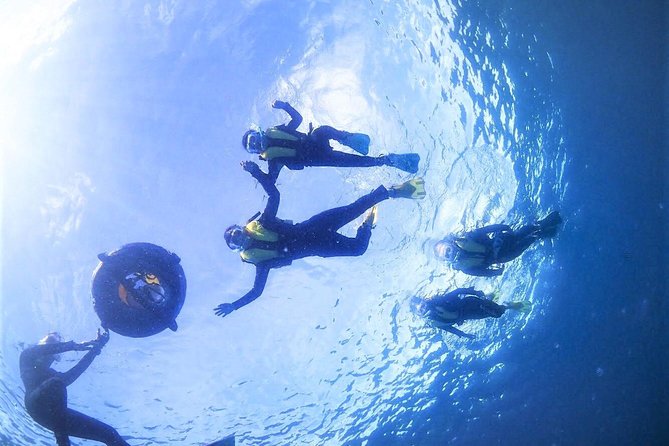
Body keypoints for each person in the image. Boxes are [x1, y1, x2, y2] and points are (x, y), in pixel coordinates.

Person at [214, 161, 425, 317]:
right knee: (358, 249)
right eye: (234, 242)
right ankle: (366, 224)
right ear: (237, 250)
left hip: (317, 225)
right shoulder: (260, 262)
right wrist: (234, 305)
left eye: (237, 233)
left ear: (243, 229)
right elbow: (256, 291)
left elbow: (274, 196)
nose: (238, 239)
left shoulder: (264, 223)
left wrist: (256, 172)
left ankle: (391, 191)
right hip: (321, 247)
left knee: (355, 208)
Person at [242, 100, 421, 180]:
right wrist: (255, 171)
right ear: (256, 152)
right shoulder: (273, 160)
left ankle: (347, 138)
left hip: (313, 142)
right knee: (356, 163)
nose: (257, 144)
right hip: (316, 159)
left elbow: (297, 120)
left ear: (259, 132)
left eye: (254, 139)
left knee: (322, 130)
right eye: (253, 147)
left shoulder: (277, 131)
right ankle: (387, 160)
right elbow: (271, 180)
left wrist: (285, 106)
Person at [20, 329, 131, 446]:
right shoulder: (26, 357)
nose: (50, 348)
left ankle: (62, 436)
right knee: (56, 383)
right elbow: (43, 351)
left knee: (109, 433)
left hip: (51, 415)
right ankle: (63, 441)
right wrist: (75, 346)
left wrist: (96, 348)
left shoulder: (54, 376)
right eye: (49, 342)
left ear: (55, 357)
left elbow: (75, 372)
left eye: (53, 345)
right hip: (34, 405)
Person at [434, 211, 562, 277]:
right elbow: (483, 273)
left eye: (447, 249)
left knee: (527, 230)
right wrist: (496, 272)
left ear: (450, 243)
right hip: (503, 256)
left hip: (500, 240)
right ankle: (545, 232)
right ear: (447, 260)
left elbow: (486, 229)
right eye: (446, 254)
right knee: (528, 240)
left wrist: (503, 226)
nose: (450, 252)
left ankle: (545, 225)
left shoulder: (467, 237)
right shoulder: (465, 268)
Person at [415, 287, 530, 339]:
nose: (424, 309)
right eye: (420, 310)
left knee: (497, 313)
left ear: (425, 301)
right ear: (419, 315)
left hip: (470, 303)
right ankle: (490, 298)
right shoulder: (435, 322)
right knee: (492, 312)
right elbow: (450, 329)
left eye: (422, 306)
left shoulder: (440, 301)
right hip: (469, 315)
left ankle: (507, 305)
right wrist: (464, 335)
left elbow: (458, 291)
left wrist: (475, 292)